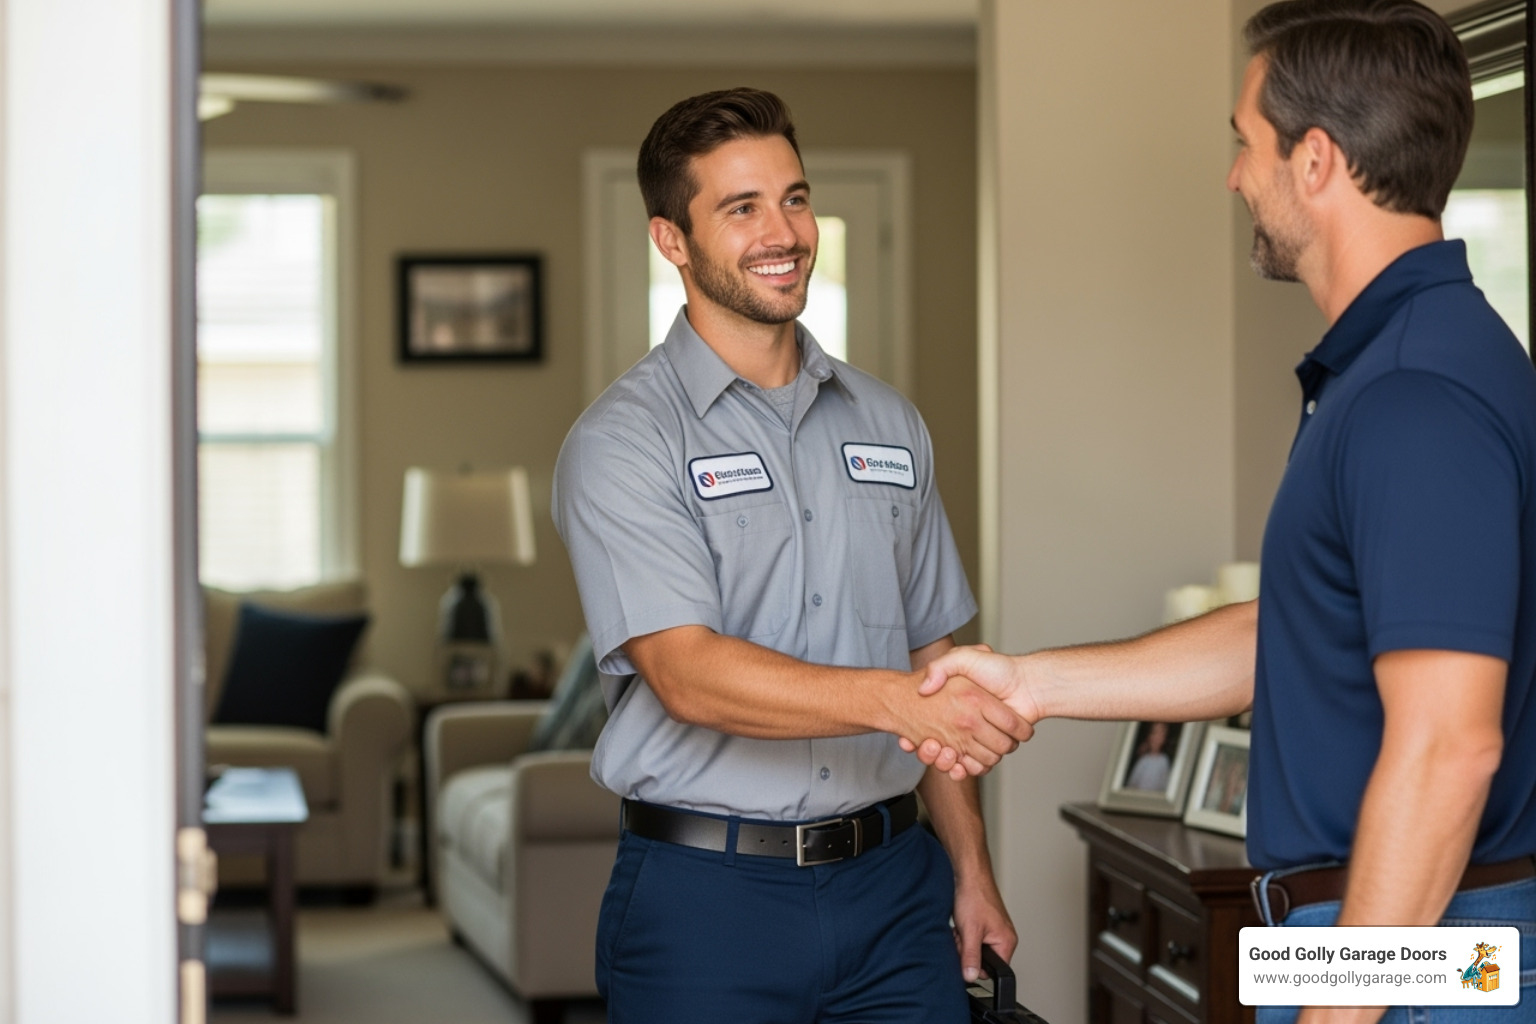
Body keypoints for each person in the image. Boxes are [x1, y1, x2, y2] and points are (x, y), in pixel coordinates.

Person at [914, 3, 1536, 1022]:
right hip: (1381, 938)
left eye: (1245, 143)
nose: (1234, 175)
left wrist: (1340, 1008)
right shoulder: (1383, 370)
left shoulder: (1415, 395)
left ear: (1318, 160)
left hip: (1432, 962)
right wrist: (1024, 682)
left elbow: (1447, 744)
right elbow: (1296, 631)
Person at [551, 87, 1020, 1024]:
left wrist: (971, 869)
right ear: (671, 240)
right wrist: (884, 698)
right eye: (742, 207)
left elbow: (933, 657)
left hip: (896, 891)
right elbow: (687, 676)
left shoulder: (890, 423)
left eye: (795, 198)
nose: (785, 231)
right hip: (708, 902)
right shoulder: (623, 442)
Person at [1124, 720, 1173, 792]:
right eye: (1154, 733)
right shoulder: (1143, 760)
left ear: (1164, 738)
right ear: (1149, 736)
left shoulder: (1164, 761)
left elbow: (1164, 786)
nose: (1156, 738)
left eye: (1161, 734)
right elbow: (1132, 783)